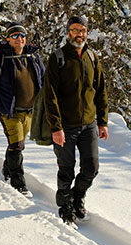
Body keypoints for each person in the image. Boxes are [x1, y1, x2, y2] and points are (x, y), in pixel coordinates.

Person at [44, 16, 109, 225]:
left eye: (82, 30)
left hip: (88, 123)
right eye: (74, 30)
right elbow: (49, 95)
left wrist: (103, 121)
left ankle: (77, 196)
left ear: (87, 32)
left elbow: (100, 90)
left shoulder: (91, 56)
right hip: (65, 126)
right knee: (66, 169)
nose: (79, 34)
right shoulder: (58, 58)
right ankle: (64, 206)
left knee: (91, 168)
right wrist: (56, 127)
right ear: (68, 32)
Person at [0, 23, 44, 197]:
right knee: (16, 145)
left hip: (29, 111)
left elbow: (43, 79)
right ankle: (19, 184)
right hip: (9, 110)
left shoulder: (33, 57)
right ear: (8, 39)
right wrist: (0, 106)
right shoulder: (0, 58)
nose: (20, 39)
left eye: (23, 35)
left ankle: (7, 170)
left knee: (17, 144)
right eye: (15, 36)